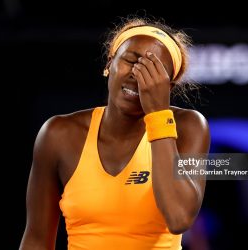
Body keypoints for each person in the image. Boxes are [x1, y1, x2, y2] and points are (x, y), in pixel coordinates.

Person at [19, 16, 210, 250]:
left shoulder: (188, 127)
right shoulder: (59, 134)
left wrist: (159, 114)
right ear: (109, 64)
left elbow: (179, 218)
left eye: (153, 71)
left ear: (168, 87)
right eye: (131, 61)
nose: (138, 75)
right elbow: (36, 241)